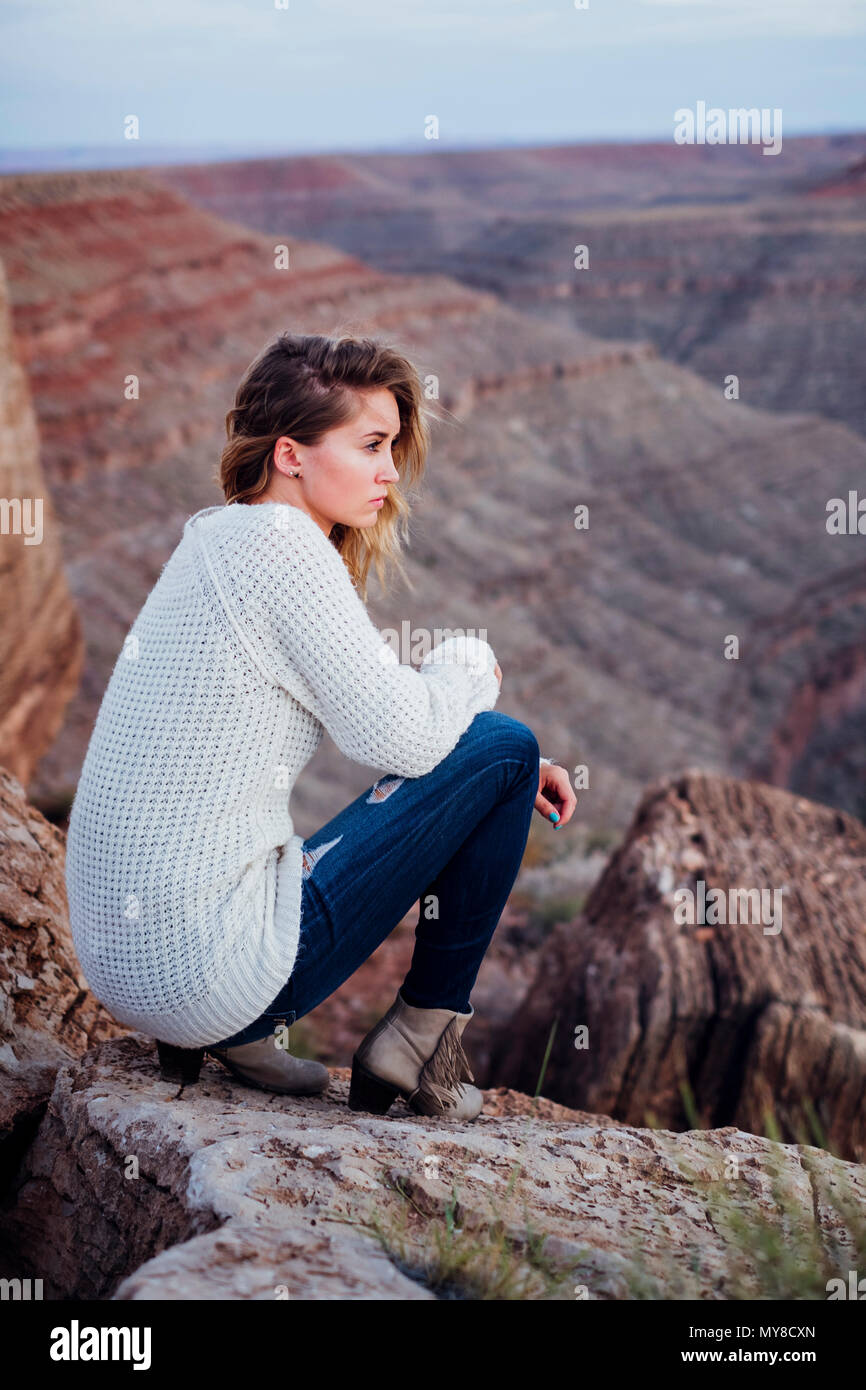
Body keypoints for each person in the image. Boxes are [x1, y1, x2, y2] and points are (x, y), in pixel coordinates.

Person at [65, 331, 576, 1122]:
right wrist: (473, 665)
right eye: (371, 445)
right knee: (509, 747)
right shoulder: (287, 552)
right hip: (204, 974)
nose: (389, 471)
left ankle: (236, 1040)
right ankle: (414, 1046)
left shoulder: (215, 535)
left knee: (486, 758)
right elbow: (400, 739)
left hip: (128, 972)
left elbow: (388, 709)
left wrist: (469, 766)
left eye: (394, 447)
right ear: (291, 454)